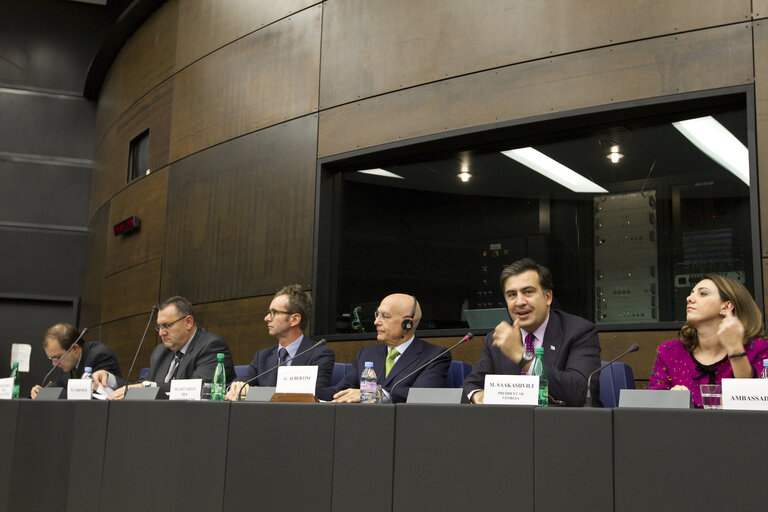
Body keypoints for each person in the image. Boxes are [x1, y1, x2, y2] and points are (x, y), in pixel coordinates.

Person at [462, 258, 601, 406]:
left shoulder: (579, 331)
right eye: (511, 295)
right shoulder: (498, 338)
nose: (520, 302)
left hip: (563, 424)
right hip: (512, 424)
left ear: (548, 297)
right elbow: (470, 386)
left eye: (528, 292)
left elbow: (580, 392)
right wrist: (477, 395)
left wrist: (522, 357)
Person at [647, 274, 768, 407]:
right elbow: (651, 402)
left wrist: (735, 349)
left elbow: (755, 403)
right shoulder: (670, 351)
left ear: (726, 307)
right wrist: (670, 397)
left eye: (703, 293)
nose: (689, 298)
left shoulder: (759, 349)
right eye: (691, 293)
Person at [317, 293, 450, 403]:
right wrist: (305, 393)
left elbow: (422, 395)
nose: (376, 322)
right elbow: (341, 391)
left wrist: (376, 394)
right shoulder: (366, 354)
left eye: (385, 316)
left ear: (407, 323)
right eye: (377, 315)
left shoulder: (435, 356)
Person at [93, 296, 235, 399]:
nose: (161, 333)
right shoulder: (161, 351)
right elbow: (142, 384)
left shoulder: (211, 346)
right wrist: (110, 379)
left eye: (167, 325)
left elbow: (200, 388)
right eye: (159, 327)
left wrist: (148, 387)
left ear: (188, 322)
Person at [225, 284, 334, 400]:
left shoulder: (319, 354)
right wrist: (236, 387)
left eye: (274, 312)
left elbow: (314, 394)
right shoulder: (263, 357)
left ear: (294, 319)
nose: (266, 318)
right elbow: (233, 385)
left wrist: (256, 393)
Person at [30, 323, 123, 399]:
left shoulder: (100, 355)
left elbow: (96, 395)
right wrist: (41, 392)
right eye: (51, 358)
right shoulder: (63, 364)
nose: (54, 363)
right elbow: (58, 387)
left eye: (57, 357)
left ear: (74, 348)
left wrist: (52, 393)